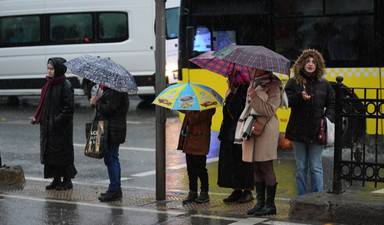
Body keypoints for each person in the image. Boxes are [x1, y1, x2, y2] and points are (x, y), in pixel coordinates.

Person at [285, 49, 335, 196]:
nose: (310, 64)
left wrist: (327, 119)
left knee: (315, 166)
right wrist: (300, 97)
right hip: (298, 130)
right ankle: (302, 197)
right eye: (307, 61)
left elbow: (332, 103)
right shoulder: (293, 83)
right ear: (302, 64)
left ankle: (316, 197)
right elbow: (286, 102)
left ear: (318, 65)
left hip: (316, 131)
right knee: (301, 167)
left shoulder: (324, 84)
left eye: (313, 61)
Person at [236, 69, 283, 216]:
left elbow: (269, 110)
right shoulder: (254, 82)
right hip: (251, 127)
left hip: (266, 128)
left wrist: (254, 97)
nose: (252, 69)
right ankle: (260, 203)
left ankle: (270, 205)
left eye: (255, 67)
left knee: (266, 166)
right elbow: (249, 107)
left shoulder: (275, 84)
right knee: (255, 166)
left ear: (264, 67)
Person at [31, 57, 77, 190]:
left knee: (63, 154)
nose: (49, 71)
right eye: (48, 69)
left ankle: (67, 180)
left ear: (59, 69)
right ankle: (56, 179)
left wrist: (57, 119)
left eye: (52, 69)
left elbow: (68, 107)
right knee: (51, 154)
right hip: (49, 126)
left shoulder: (65, 85)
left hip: (61, 128)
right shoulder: (49, 84)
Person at [217, 70, 254, 203]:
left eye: (229, 78)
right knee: (231, 163)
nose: (227, 81)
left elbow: (239, 112)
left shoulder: (243, 92)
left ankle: (247, 191)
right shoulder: (234, 93)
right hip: (229, 133)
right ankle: (236, 190)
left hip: (239, 133)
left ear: (236, 80)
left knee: (241, 162)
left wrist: (228, 99)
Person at [89, 84, 129, 202]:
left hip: (112, 129)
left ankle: (114, 189)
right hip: (112, 128)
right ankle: (114, 188)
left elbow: (109, 109)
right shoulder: (114, 89)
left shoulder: (115, 90)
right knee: (111, 159)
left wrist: (96, 103)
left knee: (111, 159)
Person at [177, 109, 216, 204]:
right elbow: (184, 111)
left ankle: (204, 192)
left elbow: (194, 118)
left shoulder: (206, 107)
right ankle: (192, 192)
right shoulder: (193, 105)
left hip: (199, 141)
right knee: (191, 169)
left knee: (200, 168)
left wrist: (189, 108)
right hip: (189, 140)